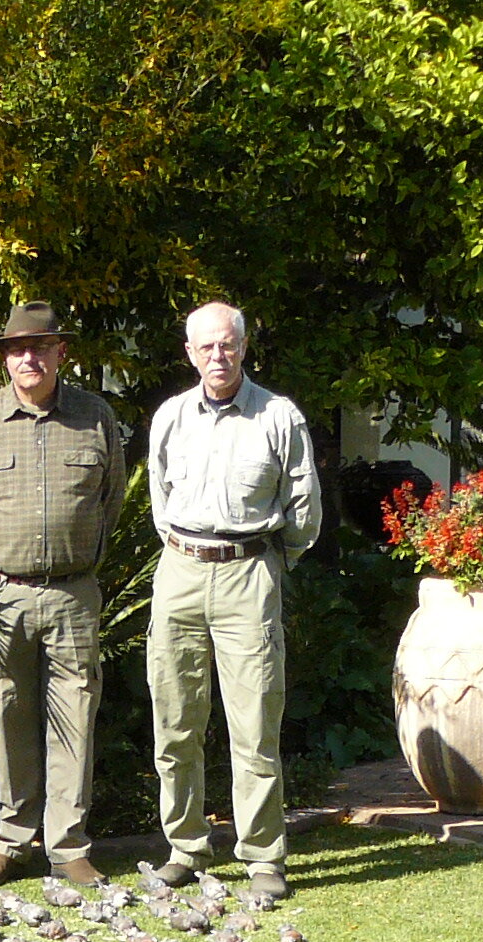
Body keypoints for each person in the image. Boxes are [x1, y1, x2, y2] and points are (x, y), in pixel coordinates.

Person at [0, 300, 133, 887]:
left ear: (61, 352)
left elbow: (113, 497)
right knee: (5, 716)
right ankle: (11, 840)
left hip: (74, 594)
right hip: (0, 594)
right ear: (5, 358)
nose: (29, 357)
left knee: (75, 715)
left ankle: (69, 846)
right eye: (16, 349)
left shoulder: (94, 415)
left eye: (41, 347)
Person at [144, 300, 322, 904]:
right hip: (180, 573)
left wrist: (272, 564)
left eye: (228, 345)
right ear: (189, 353)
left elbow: (303, 508)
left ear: (244, 348)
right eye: (205, 347)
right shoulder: (170, 417)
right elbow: (158, 495)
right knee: (175, 721)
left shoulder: (279, 416)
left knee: (254, 726)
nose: (217, 357)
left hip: (250, 573)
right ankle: (186, 848)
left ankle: (263, 856)